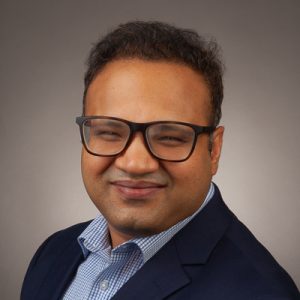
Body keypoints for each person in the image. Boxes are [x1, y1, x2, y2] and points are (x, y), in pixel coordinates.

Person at [21, 21, 300, 300]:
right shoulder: (53, 254)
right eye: (108, 132)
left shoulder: (261, 292)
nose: (135, 164)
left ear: (214, 150)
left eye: (169, 137)